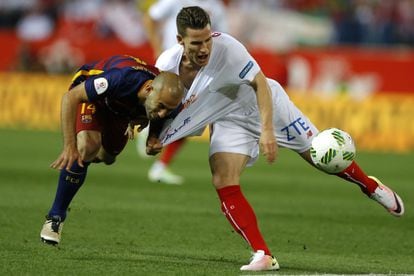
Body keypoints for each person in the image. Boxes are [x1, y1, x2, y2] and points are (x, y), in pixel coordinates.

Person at [148, 6, 405, 272]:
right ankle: (263, 254)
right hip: (228, 117)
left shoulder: (228, 48)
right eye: (196, 43)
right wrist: (154, 137)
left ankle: (371, 187)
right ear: (180, 41)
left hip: (267, 104)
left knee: (323, 157)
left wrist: (267, 130)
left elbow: (259, 83)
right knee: (223, 178)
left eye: (207, 40)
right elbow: (159, 106)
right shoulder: (166, 66)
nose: (204, 49)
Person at [40, 55, 184, 245]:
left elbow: (163, 118)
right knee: (87, 147)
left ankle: (84, 160)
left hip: (121, 110)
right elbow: (70, 97)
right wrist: (69, 146)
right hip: (94, 97)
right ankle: (55, 218)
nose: (163, 112)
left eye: (168, 109)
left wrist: (153, 139)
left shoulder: (170, 103)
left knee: (107, 157)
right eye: (161, 107)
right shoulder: (121, 79)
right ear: (148, 89)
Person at [137, 0, 228, 185]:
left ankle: (159, 162)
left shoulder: (216, 6)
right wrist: (157, 47)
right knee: (168, 106)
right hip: (172, 65)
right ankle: (148, 129)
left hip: (198, 69)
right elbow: (150, 18)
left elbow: (223, 36)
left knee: (191, 118)